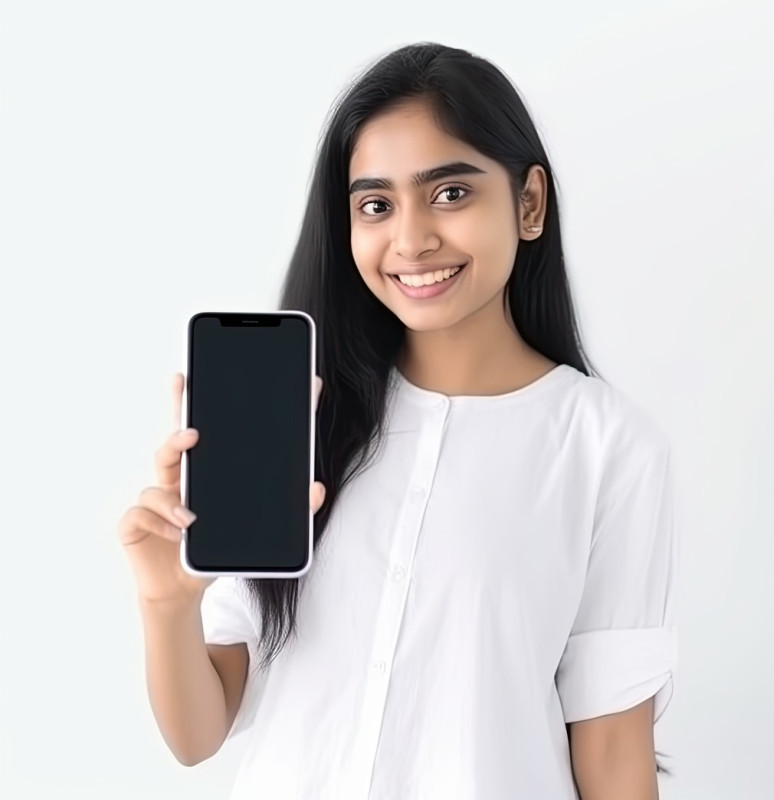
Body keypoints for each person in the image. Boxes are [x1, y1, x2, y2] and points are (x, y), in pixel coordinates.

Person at [118, 42, 678, 800]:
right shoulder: (299, 420)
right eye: (375, 205)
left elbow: (613, 752)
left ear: (530, 202)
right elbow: (197, 733)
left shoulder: (608, 448)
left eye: (450, 193)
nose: (411, 240)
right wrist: (166, 603)